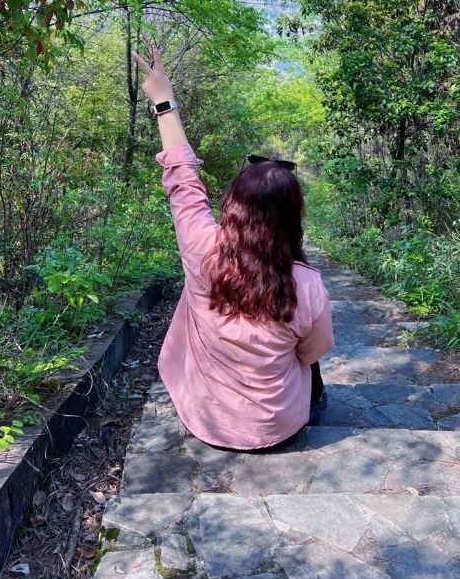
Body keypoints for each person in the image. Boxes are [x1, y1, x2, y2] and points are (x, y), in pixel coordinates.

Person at [132, 45, 334, 452]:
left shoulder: (201, 249)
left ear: (233, 204)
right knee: (310, 366)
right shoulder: (307, 285)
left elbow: (183, 181)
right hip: (277, 428)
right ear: (292, 217)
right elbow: (310, 353)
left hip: (206, 421)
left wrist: (164, 103)